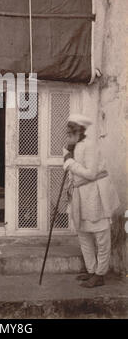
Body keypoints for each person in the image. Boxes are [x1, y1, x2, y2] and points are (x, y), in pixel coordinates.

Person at [63, 114, 120, 288]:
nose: (68, 135)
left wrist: (70, 162)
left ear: (79, 131)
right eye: (68, 131)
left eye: (71, 131)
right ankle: (91, 270)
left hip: (96, 194)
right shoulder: (71, 147)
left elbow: (91, 174)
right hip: (80, 195)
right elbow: (71, 169)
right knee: (83, 234)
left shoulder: (91, 146)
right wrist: (69, 157)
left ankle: (100, 274)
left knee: (101, 236)